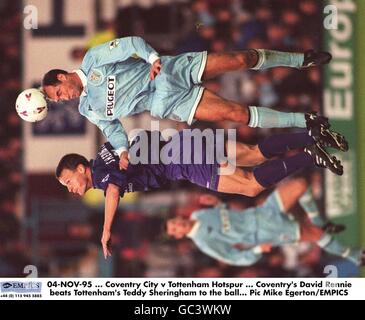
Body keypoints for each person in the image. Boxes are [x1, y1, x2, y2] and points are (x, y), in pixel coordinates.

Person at [41, 36, 344, 170]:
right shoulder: (87, 109)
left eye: (57, 93)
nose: (61, 99)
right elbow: (112, 129)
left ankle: (300, 59)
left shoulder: (93, 59)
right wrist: (121, 150)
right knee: (235, 114)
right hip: (167, 102)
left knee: (241, 59)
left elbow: (131, 43)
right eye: (56, 100)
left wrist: (153, 58)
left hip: (169, 70)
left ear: (61, 77)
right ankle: (306, 121)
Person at [55, 128, 345, 257]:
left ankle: (311, 156)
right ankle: (314, 136)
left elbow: (114, 191)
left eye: (69, 181)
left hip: (182, 161)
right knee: (255, 154)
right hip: (186, 142)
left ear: (81, 168)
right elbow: (136, 137)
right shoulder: (108, 151)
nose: (72, 189)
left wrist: (106, 231)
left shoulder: (103, 173)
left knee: (251, 186)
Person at [166, 178, 365, 267]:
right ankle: (356, 257)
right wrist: (257, 250)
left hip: (262, 212)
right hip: (266, 231)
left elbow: (226, 217)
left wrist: (217, 203)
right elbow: (233, 258)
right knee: (316, 235)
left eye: (174, 222)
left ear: (178, 218)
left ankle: (319, 220)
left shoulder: (198, 216)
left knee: (300, 185)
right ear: (178, 235)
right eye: (175, 229)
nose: (178, 225)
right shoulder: (203, 241)